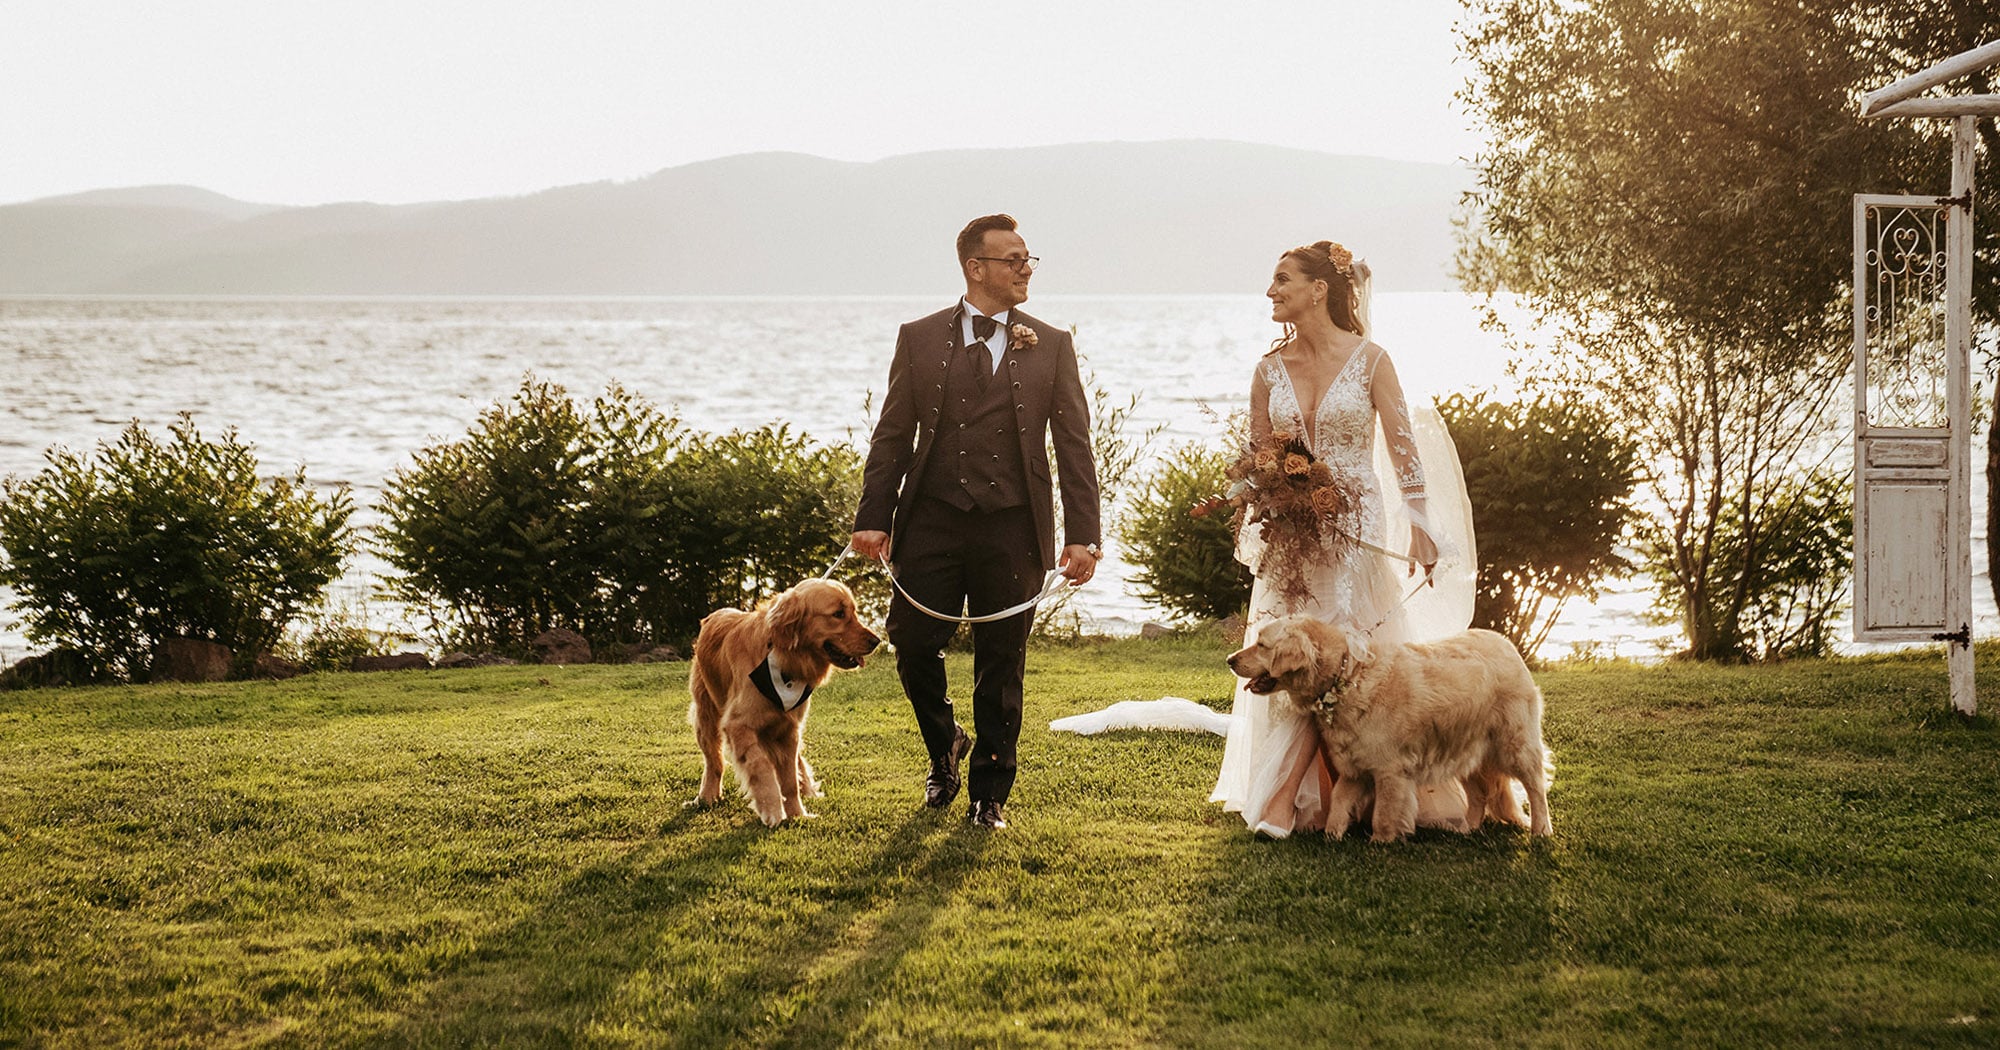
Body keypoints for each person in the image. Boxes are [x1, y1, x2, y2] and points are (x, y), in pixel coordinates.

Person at [1208, 240, 1476, 838]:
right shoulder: (1267, 370)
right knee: (1288, 657)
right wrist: (1253, 491)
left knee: (1336, 659)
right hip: (1292, 538)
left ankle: (1288, 800)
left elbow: (1404, 450)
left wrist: (1422, 527)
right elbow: (1258, 456)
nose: (1271, 291)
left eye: (1282, 280)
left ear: (1319, 289)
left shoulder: (1372, 360)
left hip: (1354, 529)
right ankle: (1308, 797)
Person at [852, 213, 1102, 831]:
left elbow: (1074, 445)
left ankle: (990, 794)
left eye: (1028, 260)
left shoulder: (1052, 343)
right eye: (1014, 259)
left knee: (1002, 660)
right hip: (931, 520)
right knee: (912, 644)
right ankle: (945, 747)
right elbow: (891, 436)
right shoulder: (918, 337)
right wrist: (873, 517)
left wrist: (1083, 536)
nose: (1026, 270)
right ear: (976, 268)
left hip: (1012, 528)